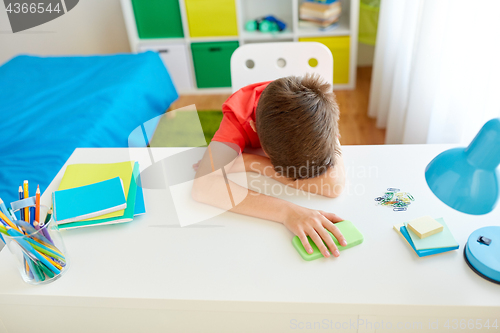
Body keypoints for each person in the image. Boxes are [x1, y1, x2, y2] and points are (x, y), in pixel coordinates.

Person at [191, 74, 347, 258]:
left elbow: (333, 186)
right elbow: (202, 187)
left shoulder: (319, 114)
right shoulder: (239, 115)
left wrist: (252, 162)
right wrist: (288, 212)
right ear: (253, 126)